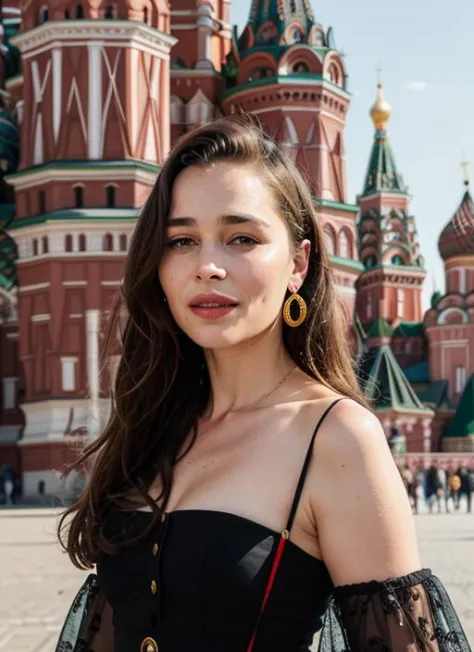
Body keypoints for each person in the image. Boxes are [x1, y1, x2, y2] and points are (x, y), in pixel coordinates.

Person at [55, 117, 470, 652]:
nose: (206, 265)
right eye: (181, 240)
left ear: (298, 263)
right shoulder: (153, 425)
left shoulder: (338, 439)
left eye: (242, 238)